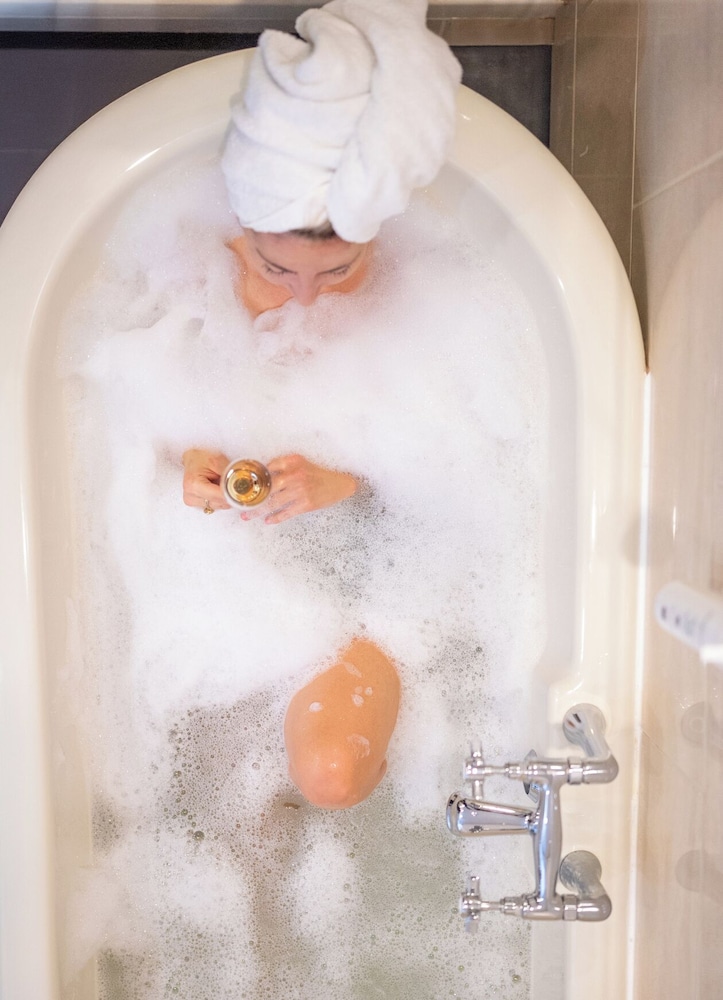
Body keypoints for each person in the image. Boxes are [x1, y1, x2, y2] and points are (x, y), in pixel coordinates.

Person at [181, 0, 461, 809]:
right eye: (273, 268)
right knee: (227, 802)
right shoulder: (180, 273)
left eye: (338, 271)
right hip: (214, 577)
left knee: (330, 777)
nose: (304, 299)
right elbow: (107, 417)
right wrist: (181, 461)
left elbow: (466, 486)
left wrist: (352, 482)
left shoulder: (425, 298)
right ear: (239, 228)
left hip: (370, 581)